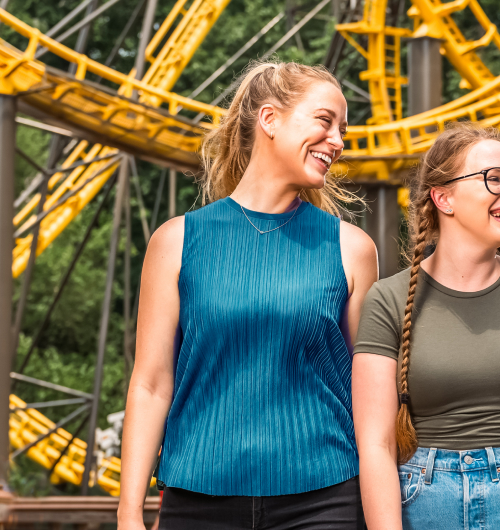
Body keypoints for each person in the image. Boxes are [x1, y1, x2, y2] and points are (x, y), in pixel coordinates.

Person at [117, 61, 378, 529]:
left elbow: (372, 396)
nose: (338, 141)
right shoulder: (176, 241)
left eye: (343, 130)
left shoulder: (352, 249)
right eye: (325, 121)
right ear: (270, 120)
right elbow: (151, 383)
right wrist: (128, 511)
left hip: (326, 500)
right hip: (196, 498)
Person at [352, 123, 500, 529]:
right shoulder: (388, 300)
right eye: (494, 179)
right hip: (425, 502)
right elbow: (377, 446)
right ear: (444, 197)